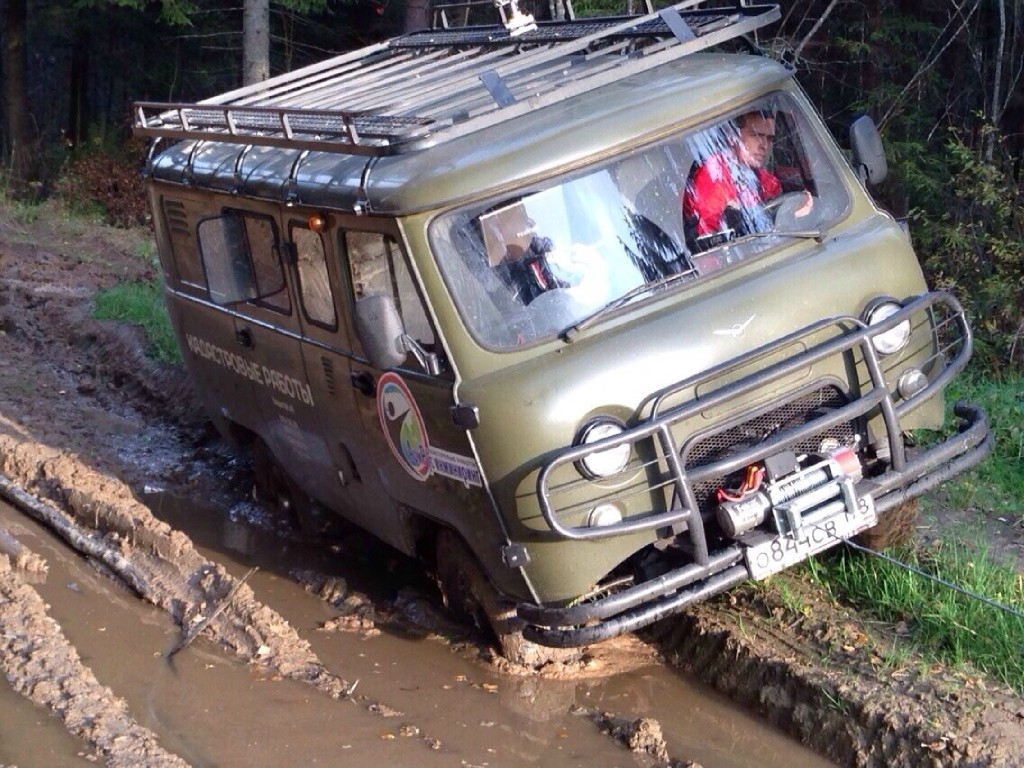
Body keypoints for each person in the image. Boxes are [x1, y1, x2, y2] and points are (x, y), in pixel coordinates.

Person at [682, 110, 796, 252]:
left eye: (769, 138)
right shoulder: (713, 176)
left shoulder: (759, 176)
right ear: (732, 136)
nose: (764, 145)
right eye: (756, 135)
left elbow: (779, 209)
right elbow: (707, 242)